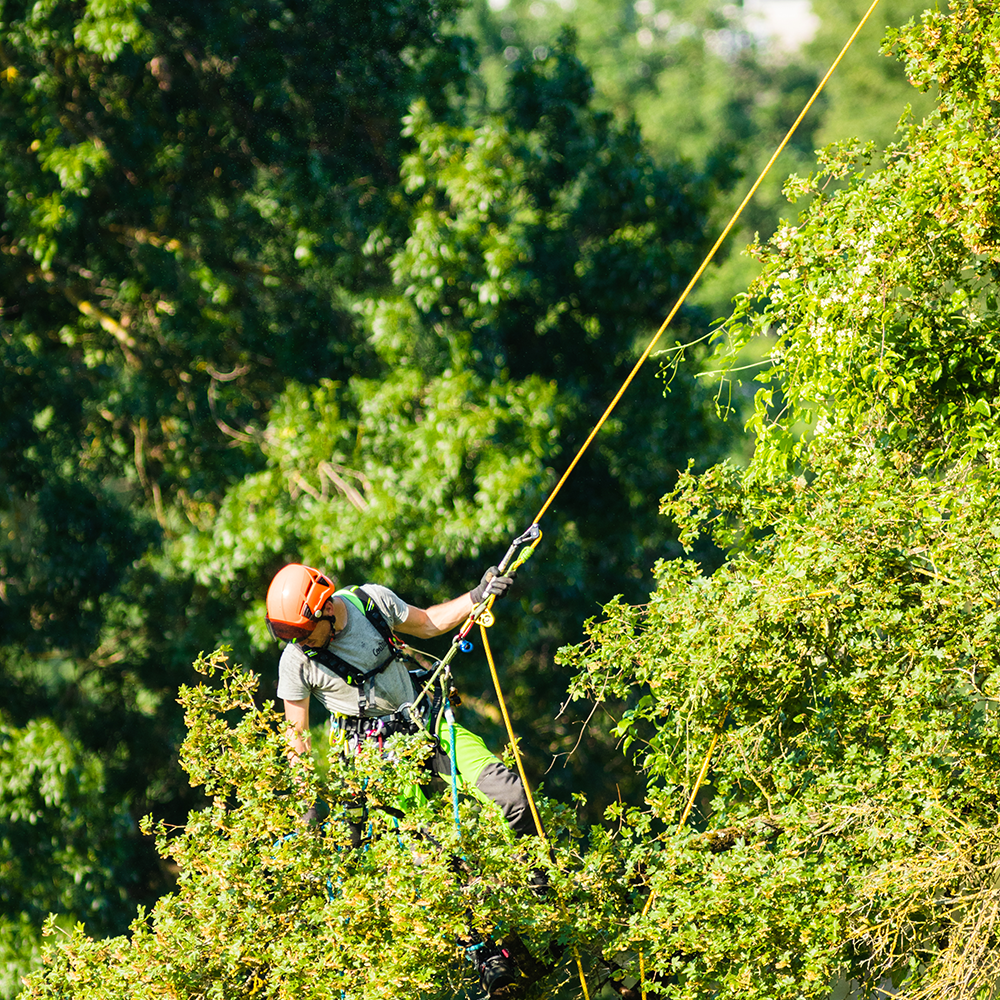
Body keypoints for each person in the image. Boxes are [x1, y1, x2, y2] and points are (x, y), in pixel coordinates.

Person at [265, 562, 541, 998]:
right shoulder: (296, 662)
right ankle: (489, 952)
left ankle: (536, 879)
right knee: (434, 858)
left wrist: (476, 595)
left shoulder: (370, 602)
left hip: (427, 725)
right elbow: (295, 737)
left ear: (325, 611)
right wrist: (308, 803)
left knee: (511, 795)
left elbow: (429, 623)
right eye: (288, 636)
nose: (297, 643)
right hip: (380, 760)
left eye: (302, 632)